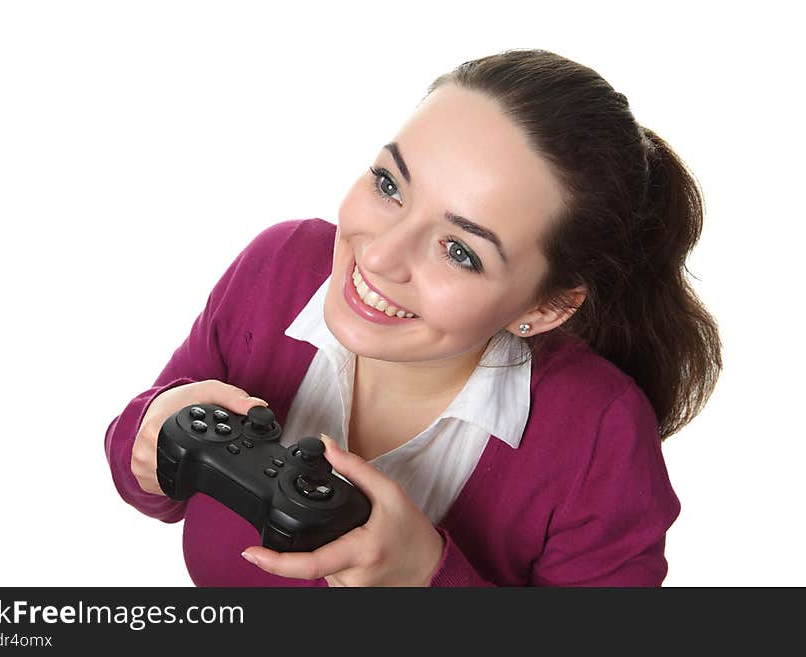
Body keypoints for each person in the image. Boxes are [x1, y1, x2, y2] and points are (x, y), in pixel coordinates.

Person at [104, 48, 722, 586]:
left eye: (460, 251)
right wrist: (147, 431)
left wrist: (428, 583)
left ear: (546, 306)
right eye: (390, 185)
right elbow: (148, 474)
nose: (378, 254)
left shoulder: (600, 436)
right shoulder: (280, 267)